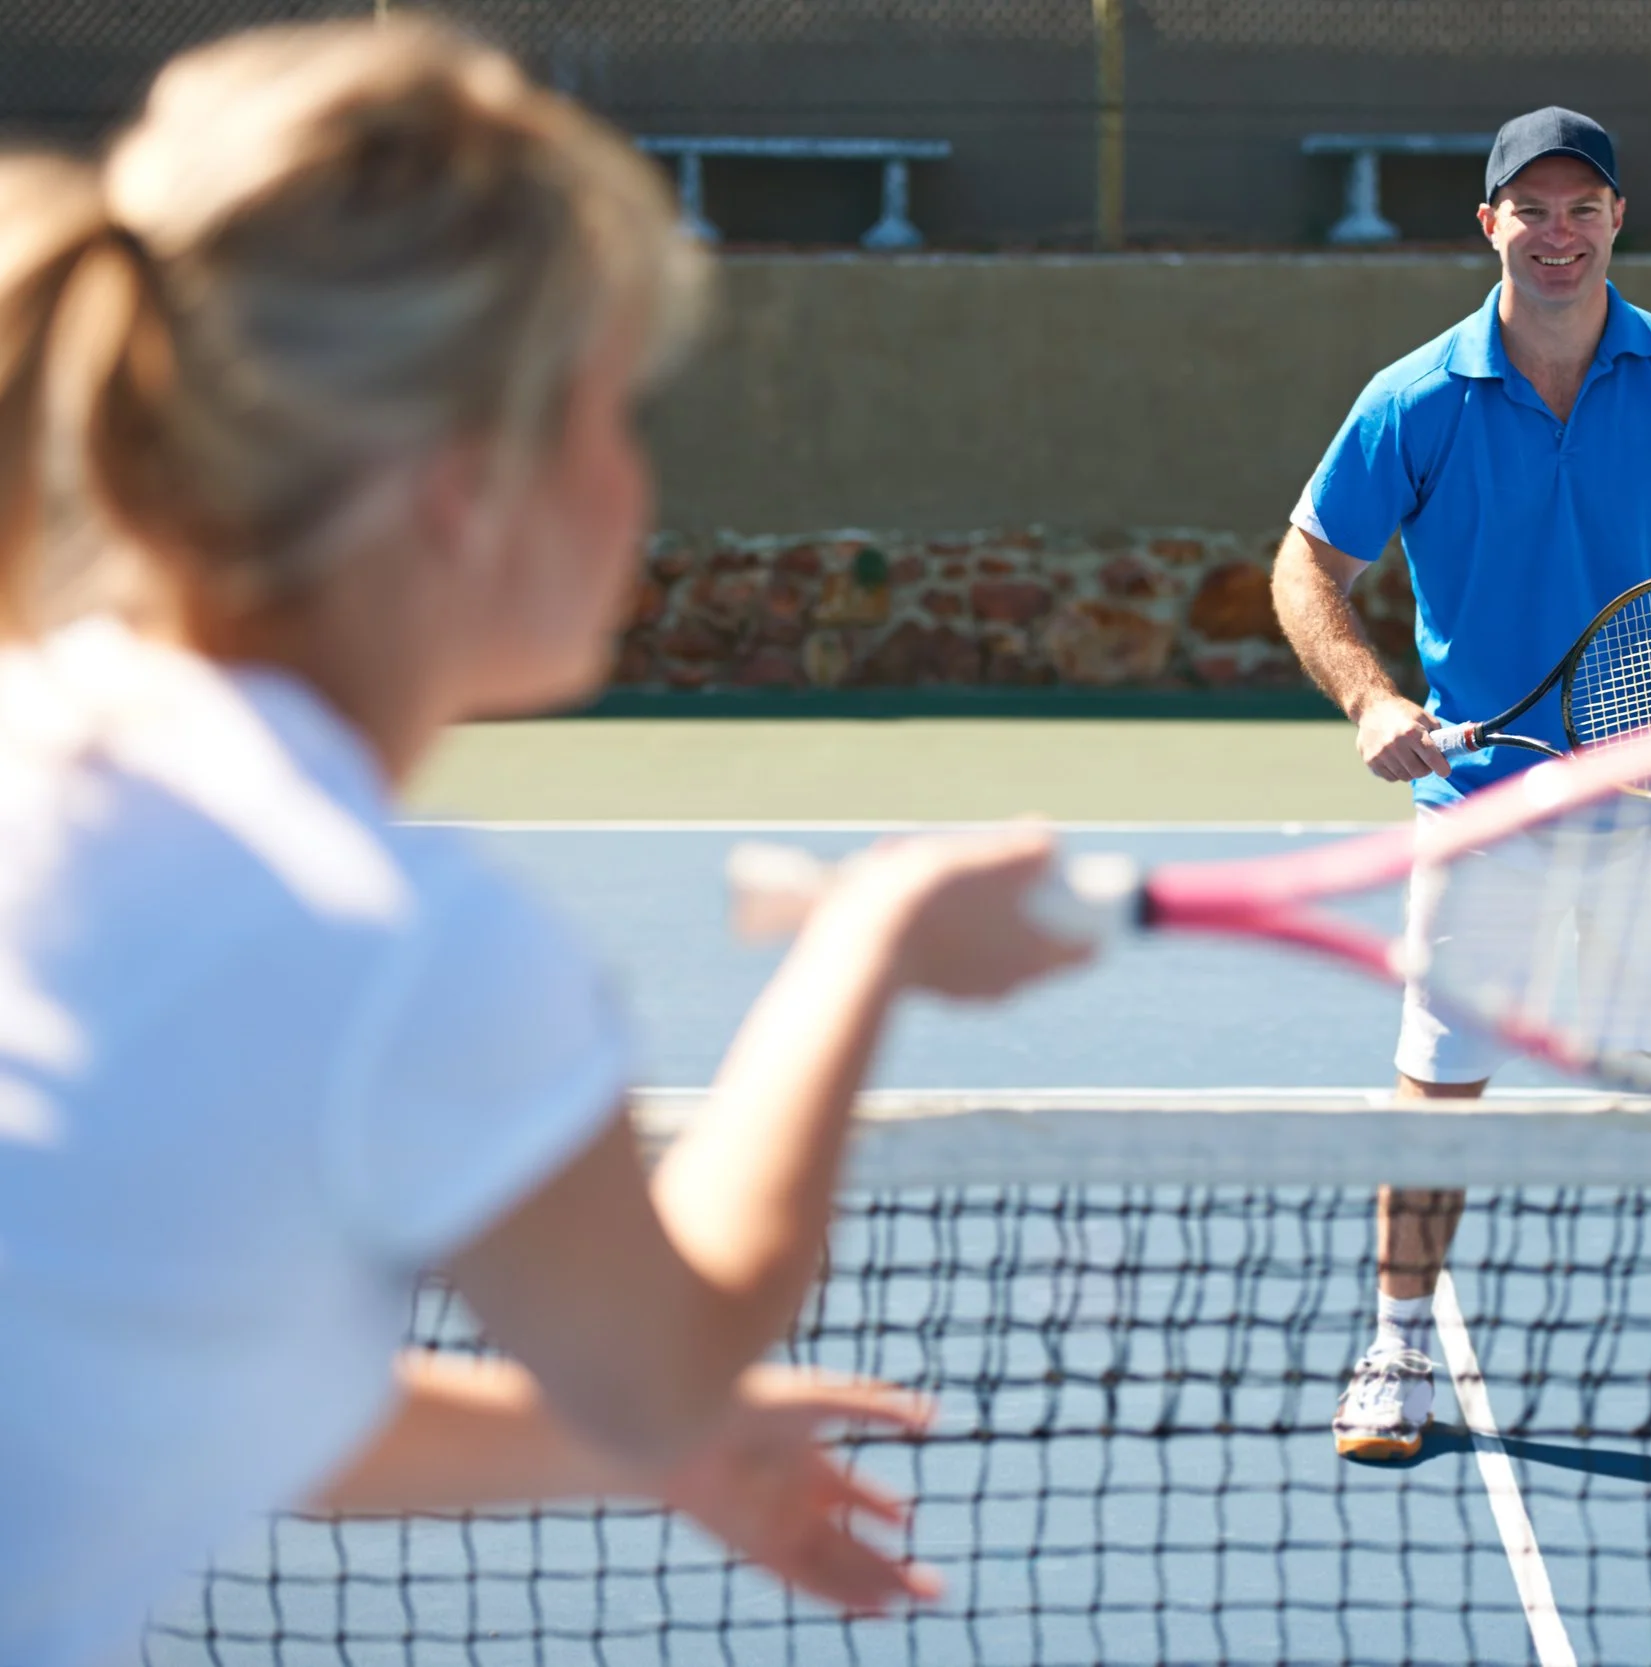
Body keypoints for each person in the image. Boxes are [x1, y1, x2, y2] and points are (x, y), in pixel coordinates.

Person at [0, 23, 1089, 1666]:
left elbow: (204, 1378)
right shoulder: (379, 930)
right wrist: (867, 938)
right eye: (606, 414)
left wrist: (633, 1446)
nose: (639, 486)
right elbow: (670, 1350)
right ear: (465, 491)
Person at [1270, 107, 1651, 1461]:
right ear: (1491, 226)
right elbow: (1308, 568)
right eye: (1534, 207)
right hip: (1489, 810)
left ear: (1617, 221)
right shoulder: (1413, 396)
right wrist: (1374, 698)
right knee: (1440, 1084)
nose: (1560, 231)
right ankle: (1398, 1354)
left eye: (1585, 206)